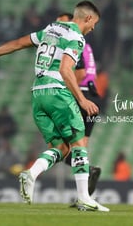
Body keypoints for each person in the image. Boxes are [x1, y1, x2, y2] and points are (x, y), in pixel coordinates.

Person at [0, 0, 109, 212]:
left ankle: (31, 173)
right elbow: (65, 69)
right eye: (94, 23)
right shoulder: (76, 37)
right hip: (57, 93)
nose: (93, 28)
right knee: (79, 142)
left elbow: (18, 43)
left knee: (61, 149)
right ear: (88, 18)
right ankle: (84, 198)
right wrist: (82, 99)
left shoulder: (51, 29)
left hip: (37, 95)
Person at [57, 12, 102, 197]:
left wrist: (65, 90)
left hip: (80, 96)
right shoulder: (86, 44)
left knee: (61, 148)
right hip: (92, 96)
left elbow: (81, 73)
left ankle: (87, 181)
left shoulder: (74, 42)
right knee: (79, 149)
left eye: (62, 23)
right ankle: (84, 196)